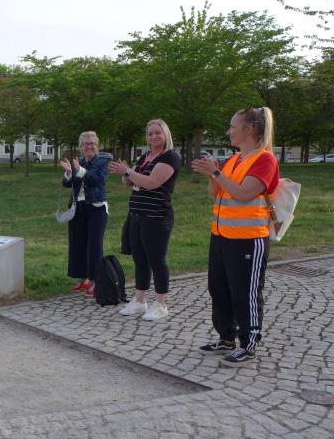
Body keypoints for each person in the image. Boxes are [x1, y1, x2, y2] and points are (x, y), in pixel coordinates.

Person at [191, 107, 279, 367]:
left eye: (232, 127)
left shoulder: (265, 160)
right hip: (221, 236)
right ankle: (226, 337)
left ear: (248, 129)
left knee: (245, 292)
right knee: (218, 288)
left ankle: (248, 344)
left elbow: (243, 194)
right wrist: (212, 175)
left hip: (248, 239)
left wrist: (217, 173)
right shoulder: (234, 159)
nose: (228, 131)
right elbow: (215, 194)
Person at [109, 119, 180, 321]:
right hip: (137, 215)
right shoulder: (145, 157)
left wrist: (129, 172)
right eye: (150, 133)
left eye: (158, 132)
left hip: (156, 217)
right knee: (140, 260)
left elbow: (151, 183)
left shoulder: (170, 157)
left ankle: (161, 304)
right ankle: (140, 301)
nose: (153, 136)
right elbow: (128, 182)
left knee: (157, 261)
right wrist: (126, 173)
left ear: (166, 135)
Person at [60, 131, 110, 296]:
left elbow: (99, 180)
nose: (89, 146)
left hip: (96, 207)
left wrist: (80, 171)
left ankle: (97, 282)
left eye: (92, 143)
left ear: (97, 146)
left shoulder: (103, 161)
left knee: (94, 246)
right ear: (81, 147)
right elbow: (68, 185)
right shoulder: (78, 162)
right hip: (78, 208)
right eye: (86, 144)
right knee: (78, 244)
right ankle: (85, 280)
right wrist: (69, 173)